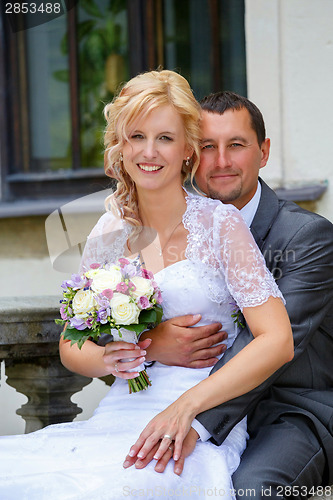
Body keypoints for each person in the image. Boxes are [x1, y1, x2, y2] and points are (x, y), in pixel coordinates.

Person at [0, 70, 293, 499]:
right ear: (121, 145)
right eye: (137, 136)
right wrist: (117, 357)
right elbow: (72, 345)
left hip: (199, 420)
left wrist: (187, 409)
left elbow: (278, 340)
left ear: (188, 149)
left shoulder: (219, 225)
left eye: (165, 138)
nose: (149, 152)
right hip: (119, 412)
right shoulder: (107, 233)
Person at [124, 91, 333, 499]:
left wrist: (191, 417)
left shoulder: (308, 237)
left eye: (235, 145)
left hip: (287, 409)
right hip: (185, 397)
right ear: (188, 153)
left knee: (250, 491)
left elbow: (268, 343)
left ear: (263, 151)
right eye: (207, 147)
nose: (220, 162)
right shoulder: (171, 228)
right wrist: (152, 344)